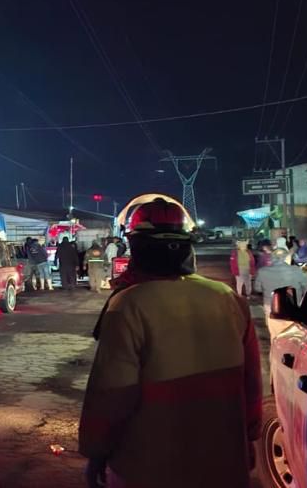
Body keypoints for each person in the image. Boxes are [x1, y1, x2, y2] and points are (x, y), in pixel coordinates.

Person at [79, 199, 261, 488]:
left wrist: (96, 452)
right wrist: (249, 437)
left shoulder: (128, 304)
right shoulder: (227, 298)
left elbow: (111, 394)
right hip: (224, 460)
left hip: (148, 467)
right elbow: (251, 381)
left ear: (137, 248)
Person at [254, 247, 307, 337]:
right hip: (293, 307)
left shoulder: (262, 271)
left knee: (275, 336)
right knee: (293, 336)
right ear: (287, 258)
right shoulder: (296, 270)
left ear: (272, 258)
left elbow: (257, 288)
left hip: (272, 306)